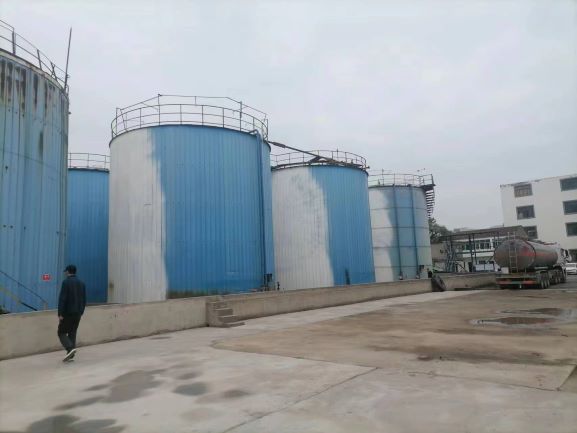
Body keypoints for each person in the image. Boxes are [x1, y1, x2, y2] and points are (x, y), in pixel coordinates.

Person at [57, 265, 86, 362]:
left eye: (66, 271)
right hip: (78, 313)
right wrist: (81, 311)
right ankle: (71, 355)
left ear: (68, 272)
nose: (65, 273)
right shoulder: (81, 283)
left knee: (61, 332)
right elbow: (84, 299)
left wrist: (60, 313)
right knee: (72, 332)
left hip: (68, 313)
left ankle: (69, 348)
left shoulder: (66, 282)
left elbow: (62, 299)